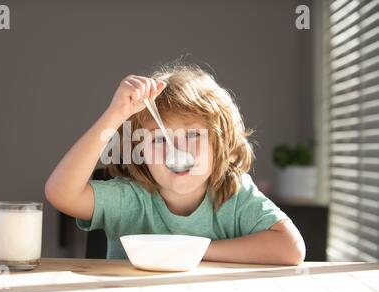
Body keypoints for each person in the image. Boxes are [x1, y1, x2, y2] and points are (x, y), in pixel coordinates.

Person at [45, 63, 305, 265]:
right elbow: (60, 193)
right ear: (140, 151)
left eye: (192, 135)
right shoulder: (131, 199)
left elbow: (291, 249)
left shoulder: (235, 195)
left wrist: (192, 250)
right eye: (159, 139)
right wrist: (115, 115)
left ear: (220, 143)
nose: (176, 149)